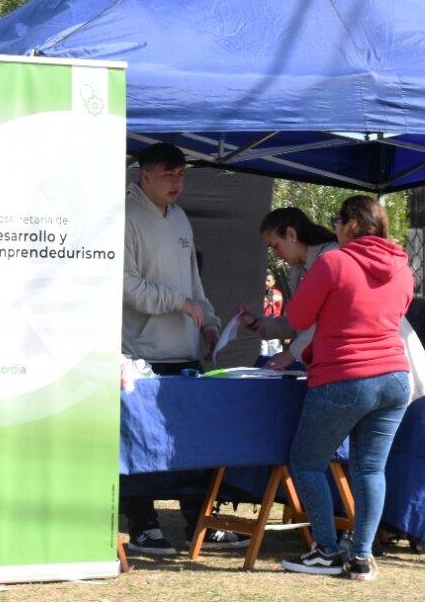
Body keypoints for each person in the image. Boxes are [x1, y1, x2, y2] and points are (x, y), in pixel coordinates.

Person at [277, 196, 412, 581]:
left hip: (346, 375)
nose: (333, 226)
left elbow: (298, 317)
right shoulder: (403, 268)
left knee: (307, 462)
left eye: (337, 219)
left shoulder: (333, 262)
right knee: (370, 469)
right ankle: (361, 557)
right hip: (395, 377)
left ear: (352, 223)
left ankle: (326, 550)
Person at [121, 142, 246, 555]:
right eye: (168, 174)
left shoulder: (179, 217)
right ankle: (143, 526)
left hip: (185, 352)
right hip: (141, 354)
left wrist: (209, 324)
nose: (177, 182)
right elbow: (126, 286)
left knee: (192, 442)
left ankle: (202, 524)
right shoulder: (124, 216)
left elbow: (194, 283)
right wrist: (178, 303)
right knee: (141, 442)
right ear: (145, 175)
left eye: (181, 174)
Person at [238, 208, 339, 369]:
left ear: (291, 234)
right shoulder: (299, 269)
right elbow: (299, 322)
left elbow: (329, 321)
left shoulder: (331, 258)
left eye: (276, 246)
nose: (275, 254)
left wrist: (290, 354)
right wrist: (258, 323)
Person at [260, 271, 283, 356]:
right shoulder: (259, 294)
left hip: (275, 324)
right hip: (262, 324)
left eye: (268, 280)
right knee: (263, 350)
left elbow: (280, 309)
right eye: (265, 281)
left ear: (274, 282)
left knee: (275, 349)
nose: (266, 283)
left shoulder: (278, 294)